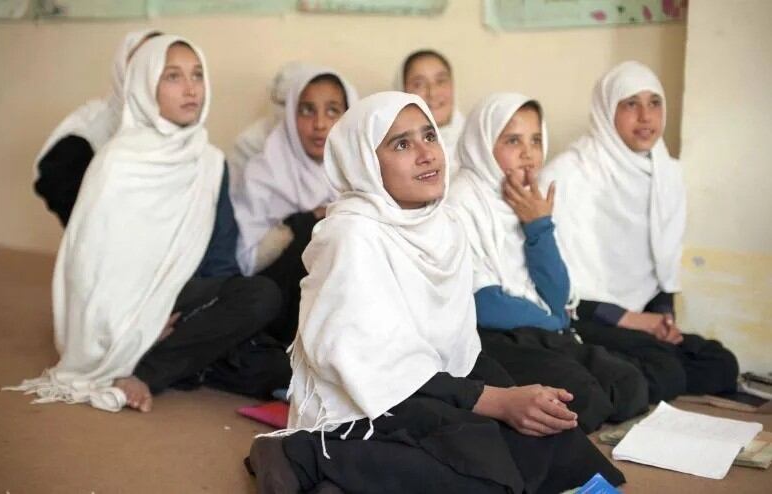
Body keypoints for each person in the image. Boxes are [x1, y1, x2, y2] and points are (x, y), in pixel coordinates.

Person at [247, 92, 625, 494]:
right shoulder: (352, 235)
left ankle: (347, 480)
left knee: (544, 433)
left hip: (434, 383)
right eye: (402, 144)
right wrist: (493, 400)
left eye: (429, 136)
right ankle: (305, 456)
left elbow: (456, 354)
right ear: (365, 163)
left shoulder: (444, 227)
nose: (427, 154)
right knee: (488, 470)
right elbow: (377, 368)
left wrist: (511, 398)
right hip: (365, 404)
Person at [7, 35, 287, 413]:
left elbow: (220, 259)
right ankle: (152, 370)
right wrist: (143, 320)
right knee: (255, 361)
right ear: (143, 85)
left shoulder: (209, 162)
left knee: (261, 299)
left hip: (180, 297)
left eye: (197, 75)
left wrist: (213, 306)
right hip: (124, 307)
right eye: (172, 76)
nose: (191, 89)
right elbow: (90, 268)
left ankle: (176, 359)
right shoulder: (116, 162)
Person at [449, 93, 649, 432]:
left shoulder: (530, 198)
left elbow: (558, 292)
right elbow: (480, 304)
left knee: (631, 384)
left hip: (543, 328)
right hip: (493, 338)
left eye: (536, 140)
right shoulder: (460, 203)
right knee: (582, 399)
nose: (528, 153)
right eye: (513, 140)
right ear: (482, 143)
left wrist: (538, 225)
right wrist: (553, 320)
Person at [541, 61, 738, 402]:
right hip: (582, 315)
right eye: (631, 104)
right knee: (663, 368)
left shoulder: (666, 173)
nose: (646, 117)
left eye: (654, 103)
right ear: (606, 110)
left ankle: (626, 373)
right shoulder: (569, 175)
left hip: (643, 315)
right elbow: (551, 282)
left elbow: (663, 262)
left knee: (720, 363)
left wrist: (662, 319)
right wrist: (632, 320)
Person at [230, 66, 358, 343]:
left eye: (333, 110)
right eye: (307, 110)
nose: (320, 123)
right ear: (290, 116)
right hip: (282, 306)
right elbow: (244, 260)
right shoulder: (263, 173)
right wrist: (304, 221)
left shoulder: (361, 172)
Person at [33, 29, 161, 225]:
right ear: (122, 69)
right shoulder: (89, 129)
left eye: (160, 63)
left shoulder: (177, 125)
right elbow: (56, 182)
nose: (150, 72)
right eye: (140, 62)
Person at [396, 49, 464, 173]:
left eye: (441, 81)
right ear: (402, 91)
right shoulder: (394, 152)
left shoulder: (482, 144)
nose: (432, 93)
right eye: (419, 84)